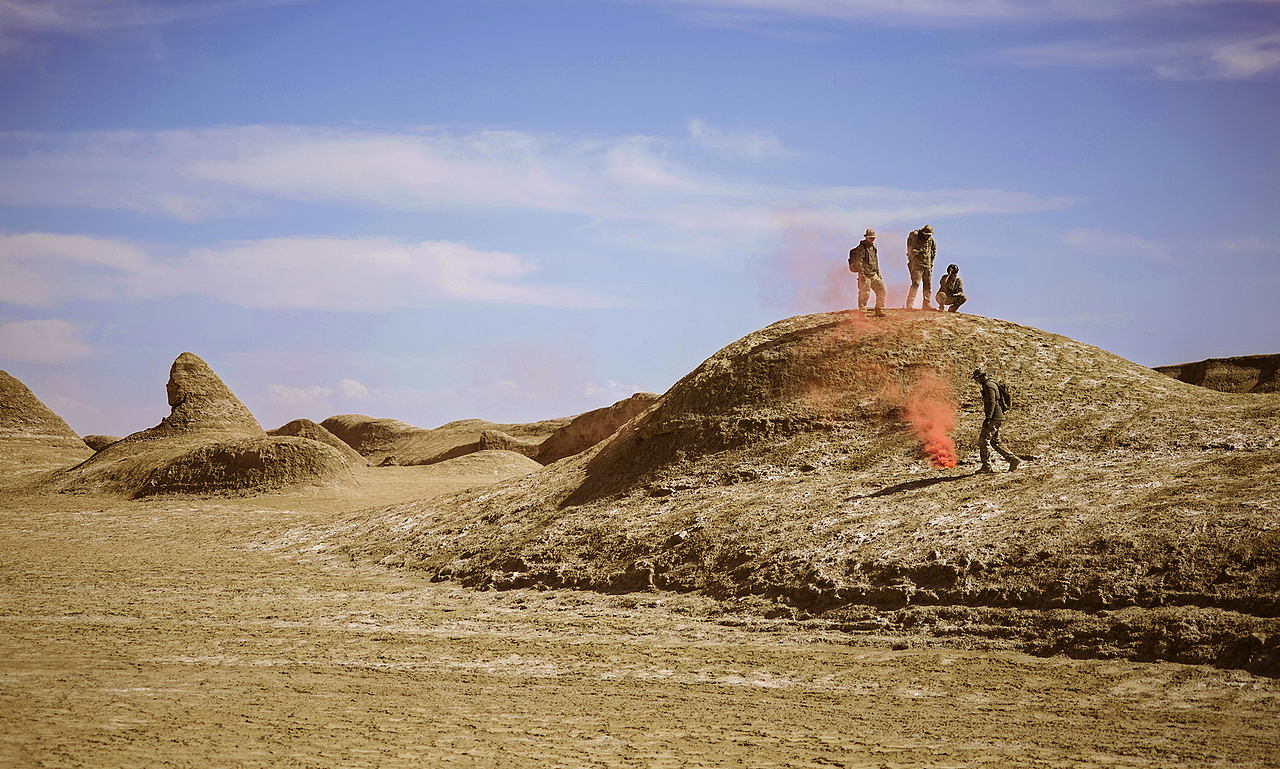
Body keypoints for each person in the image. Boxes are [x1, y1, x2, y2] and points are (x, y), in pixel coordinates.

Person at [972, 368, 1020, 473]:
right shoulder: (992, 384)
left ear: (980, 377)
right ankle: (1013, 459)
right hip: (998, 416)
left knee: (983, 440)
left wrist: (988, 418)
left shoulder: (988, 386)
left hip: (994, 417)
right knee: (995, 441)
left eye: (976, 379)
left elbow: (992, 402)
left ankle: (986, 466)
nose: (976, 381)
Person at [848, 228, 887, 317]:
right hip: (865, 276)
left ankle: (879, 310)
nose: (872, 239)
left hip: (873, 275)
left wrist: (878, 273)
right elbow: (859, 262)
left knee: (882, 291)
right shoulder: (861, 248)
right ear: (866, 237)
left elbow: (876, 262)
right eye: (870, 238)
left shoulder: (873, 248)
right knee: (864, 295)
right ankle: (862, 315)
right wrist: (862, 275)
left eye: (873, 238)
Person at [905, 224, 936, 310]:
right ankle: (909, 305)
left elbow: (933, 251)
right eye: (926, 234)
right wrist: (918, 252)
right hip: (917, 266)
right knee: (915, 284)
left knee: (928, 285)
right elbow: (911, 251)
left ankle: (926, 304)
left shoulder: (931, 241)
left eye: (929, 235)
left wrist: (931, 263)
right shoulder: (916, 239)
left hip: (927, 266)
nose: (927, 236)